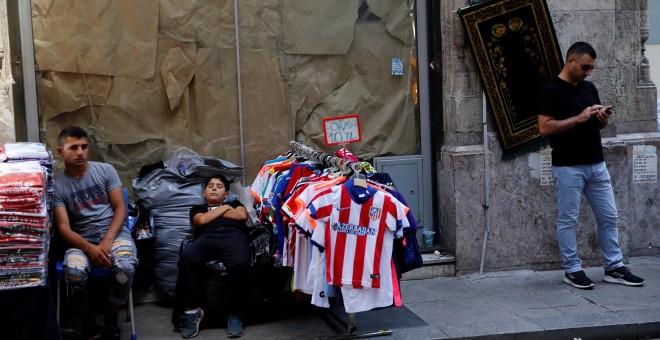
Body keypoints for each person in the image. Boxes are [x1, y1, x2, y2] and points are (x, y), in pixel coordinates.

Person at [537, 41, 645, 289]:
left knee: (609, 216)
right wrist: (579, 117)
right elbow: (544, 128)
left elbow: (597, 126)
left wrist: (600, 118)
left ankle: (614, 267)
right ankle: (572, 269)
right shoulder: (550, 91)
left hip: (596, 163)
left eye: (591, 68)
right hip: (567, 166)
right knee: (568, 220)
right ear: (571, 61)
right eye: (585, 67)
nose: (588, 72)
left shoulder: (589, 88)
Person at [53, 126, 138, 339]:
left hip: (113, 233)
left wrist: (108, 241)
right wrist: (89, 248)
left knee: (126, 266)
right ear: (60, 151)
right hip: (80, 239)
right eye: (74, 147)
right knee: (73, 272)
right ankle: (87, 320)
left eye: (84, 146)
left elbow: (121, 208)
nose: (80, 152)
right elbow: (64, 228)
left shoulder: (105, 170)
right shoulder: (57, 186)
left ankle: (111, 317)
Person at [175, 174, 250, 338]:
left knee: (240, 263)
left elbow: (242, 216)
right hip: (207, 237)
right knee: (187, 258)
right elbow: (201, 221)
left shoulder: (235, 203)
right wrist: (223, 208)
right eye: (210, 186)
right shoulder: (198, 208)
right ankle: (191, 312)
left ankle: (235, 314)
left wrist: (214, 213)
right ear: (204, 194)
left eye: (219, 186)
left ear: (226, 194)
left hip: (233, 235)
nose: (214, 188)